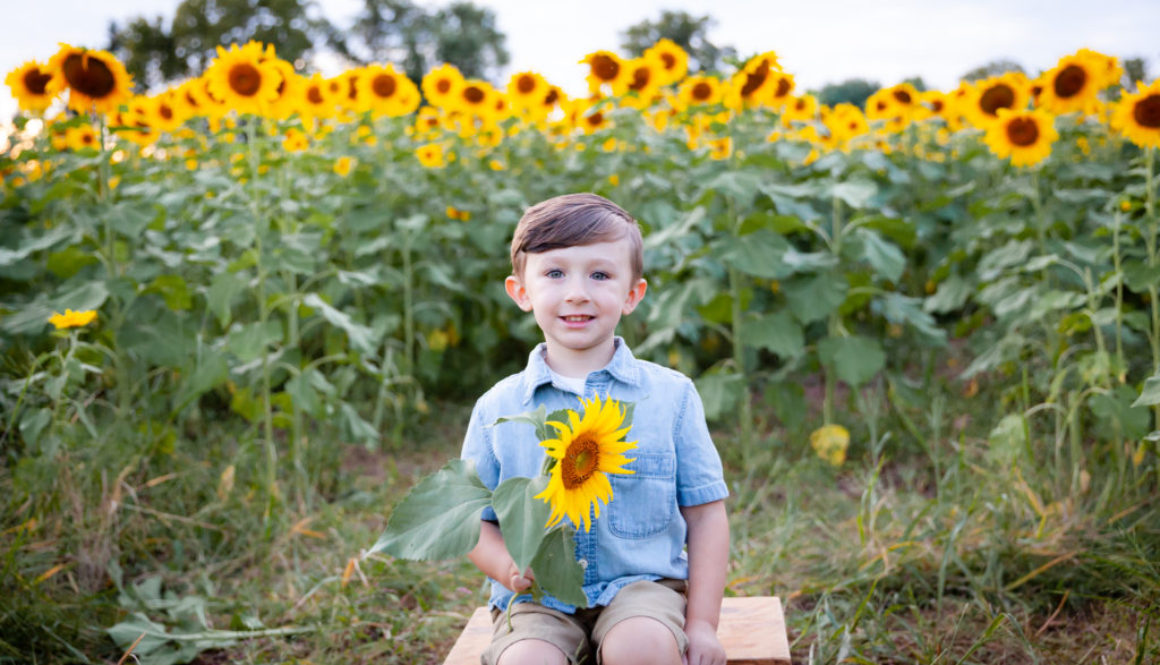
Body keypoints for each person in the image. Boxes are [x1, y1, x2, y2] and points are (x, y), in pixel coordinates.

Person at [461, 193, 730, 665]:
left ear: (632, 294)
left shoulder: (671, 397)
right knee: (527, 661)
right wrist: (506, 567)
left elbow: (706, 515)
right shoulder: (499, 409)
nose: (578, 292)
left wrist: (703, 625)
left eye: (600, 274)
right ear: (521, 291)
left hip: (642, 588)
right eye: (555, 273)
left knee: (642, 648)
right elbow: (469, 520)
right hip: (538, 598)